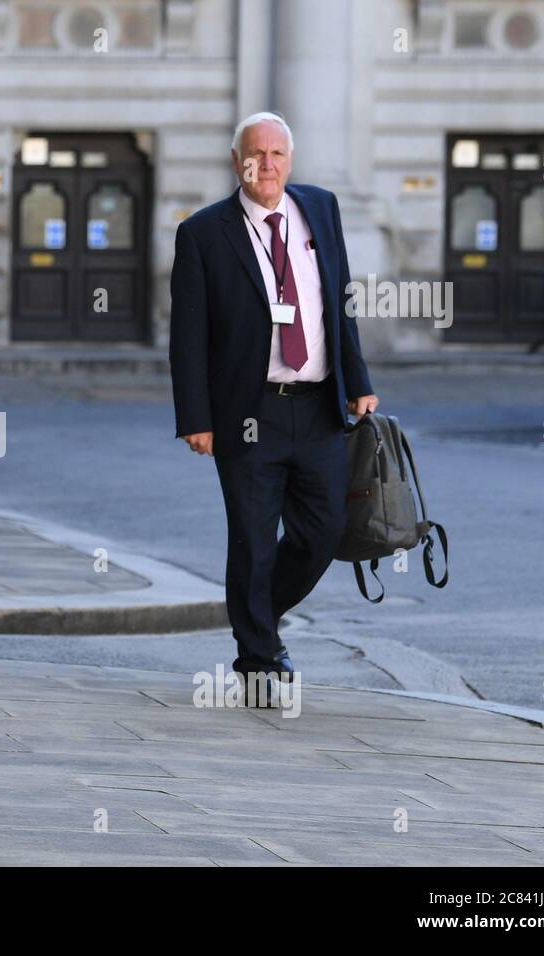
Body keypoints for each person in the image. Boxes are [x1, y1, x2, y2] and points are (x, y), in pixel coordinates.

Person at [169, 111, 379, 694]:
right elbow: (187, 338)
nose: (266, 164)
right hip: (247, 410)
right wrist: (196, 418)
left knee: (324, 531)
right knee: (254, 538)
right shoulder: (204, 233)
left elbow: (339, 302)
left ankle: (259, 611)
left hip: (317, 405)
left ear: (291, 159)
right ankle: (258, 655)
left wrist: (357, 380)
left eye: (277, 154)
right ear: (237, 162)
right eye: (254, 154)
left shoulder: (321, 208)